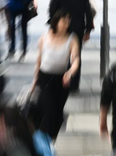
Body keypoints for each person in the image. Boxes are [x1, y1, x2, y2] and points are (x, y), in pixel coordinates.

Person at [32, 9, 81, 140]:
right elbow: (39, 60)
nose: (66, 24)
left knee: (58, 113)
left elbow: (75, 59)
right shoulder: (45, 36)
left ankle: (51, 139)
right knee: (49, 110)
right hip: (45, 78)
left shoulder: (72, 38)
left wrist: (70, 73)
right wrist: (34, 81)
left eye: (68, 21)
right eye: (64, 21)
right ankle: (42, 141)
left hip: (61, 80)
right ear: (56, 21)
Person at [49, 0, 94, 93]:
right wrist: (88, 29)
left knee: (61, 54)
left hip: (62, 29)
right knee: (76, 56)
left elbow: (52, 11)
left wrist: (53, 27)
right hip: (78, 29)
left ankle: (61, 80)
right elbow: (88, 13)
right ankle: (74, 83)